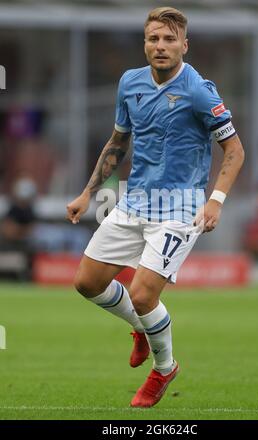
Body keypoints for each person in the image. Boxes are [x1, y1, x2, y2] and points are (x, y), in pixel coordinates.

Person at [66, 7, 245, 408]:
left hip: (180, 208)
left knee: (143, 294)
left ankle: (164, 369)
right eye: (153, 39)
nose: (160, 46)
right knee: (86, 283)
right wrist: (87, 193)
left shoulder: (199, 90)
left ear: (184, 44)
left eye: (168, 39)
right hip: (134, 201)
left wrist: (215, 201)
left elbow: (234, 151)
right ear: (145, 43)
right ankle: (141, 330)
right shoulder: (130, 83)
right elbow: (118, 142)